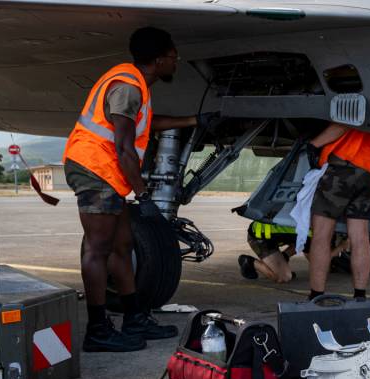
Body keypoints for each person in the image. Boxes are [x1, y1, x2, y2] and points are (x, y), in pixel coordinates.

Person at [63, 26, 206, 352]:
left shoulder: (136, 84)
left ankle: (134, 318)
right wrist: (144, 196)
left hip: (108, 173)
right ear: (158, 59)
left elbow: (144, 124)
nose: (176, 62)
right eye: (173, 57)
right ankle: (97, 329)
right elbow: (125, 147)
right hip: (94, 168)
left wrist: (192, 121)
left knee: (123, 245)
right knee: (98, 249)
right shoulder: (127, 86)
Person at [304, 123, 370, 301]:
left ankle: (316, 295)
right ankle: (360, 296)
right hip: (368, 172)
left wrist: (314, 144)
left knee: (322, 235)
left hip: (341, 167)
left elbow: (345, 122)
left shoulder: (353, 99)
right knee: (360, 237)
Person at [239, 221, 313, 283]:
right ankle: (249, 262)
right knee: (284, 277)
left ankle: (283, 258)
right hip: (261, 236)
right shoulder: (310, 234)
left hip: (277, 232)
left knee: (302, 243)